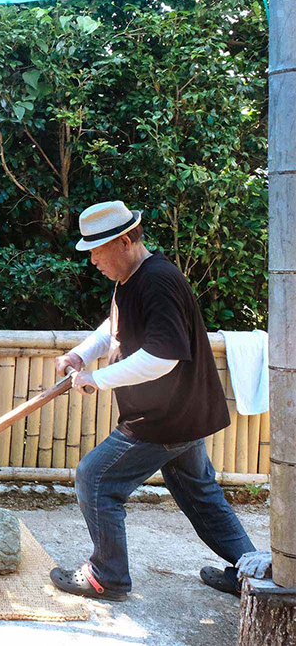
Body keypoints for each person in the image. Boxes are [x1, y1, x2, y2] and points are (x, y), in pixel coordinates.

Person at [49, 201, 256, 601]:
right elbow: (116, 325)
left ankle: (106, 576)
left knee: (95, 479)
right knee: (203, 497)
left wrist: (97, 379)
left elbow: (163, 356)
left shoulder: (158, 281)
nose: (91, 260)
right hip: (183, 414)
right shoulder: (132, 278)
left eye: (96, 250)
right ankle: (254, 575)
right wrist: (81, 354)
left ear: (125, 241)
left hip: (163, 419)